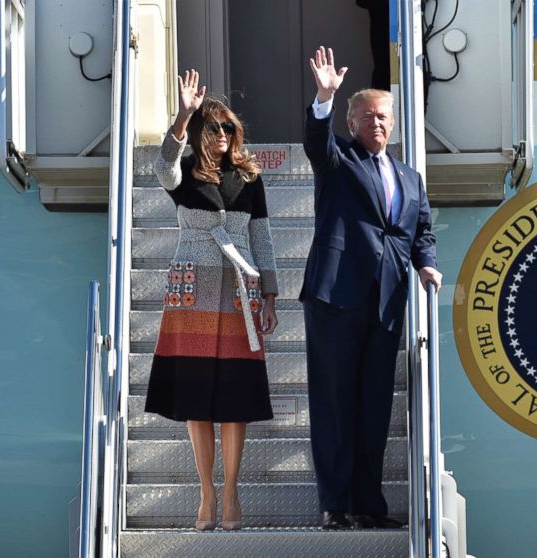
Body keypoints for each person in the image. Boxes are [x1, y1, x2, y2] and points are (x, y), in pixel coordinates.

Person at [301, 46, 442, 530]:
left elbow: (420, 232)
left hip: (386, 303)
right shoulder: (339, 159)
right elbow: (316, 142)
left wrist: (427, 266)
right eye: (366, 117)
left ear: (393, 124)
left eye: (383, 116)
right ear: (352, 122)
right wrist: (324, 98)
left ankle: (367, 505)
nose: (376, 123)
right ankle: (335, 505)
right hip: (336, 298)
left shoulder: (410, 178)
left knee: (374, 405)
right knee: (335, 402)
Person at [144, 69, 279, 532]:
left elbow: (263, 237)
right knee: (196, 395)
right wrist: (183, 117)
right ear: (201, 132)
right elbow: (161, 167)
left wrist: (270, 293)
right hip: (192, 289)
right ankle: (207, 493)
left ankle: (232, 492)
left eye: (228, 127)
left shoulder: (250, 176)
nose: (222, 134)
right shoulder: (183, 173)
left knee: (236, 394)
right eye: (214, 127)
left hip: (240, 290)